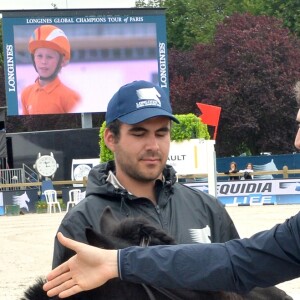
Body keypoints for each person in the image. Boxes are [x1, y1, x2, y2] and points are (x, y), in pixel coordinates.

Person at [50, 80, 288, 298]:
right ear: (111, 138)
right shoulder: (81, 223)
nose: (153, 145)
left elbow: (240, 283)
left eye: (161, 133)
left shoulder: (206, 208)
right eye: (139, 133)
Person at [21, 25, 80, 115]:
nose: (43, 62)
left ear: (62, 61)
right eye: (39, 56)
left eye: (49, 57)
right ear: (33, 59)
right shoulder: (26, 93)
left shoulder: (69, 96)